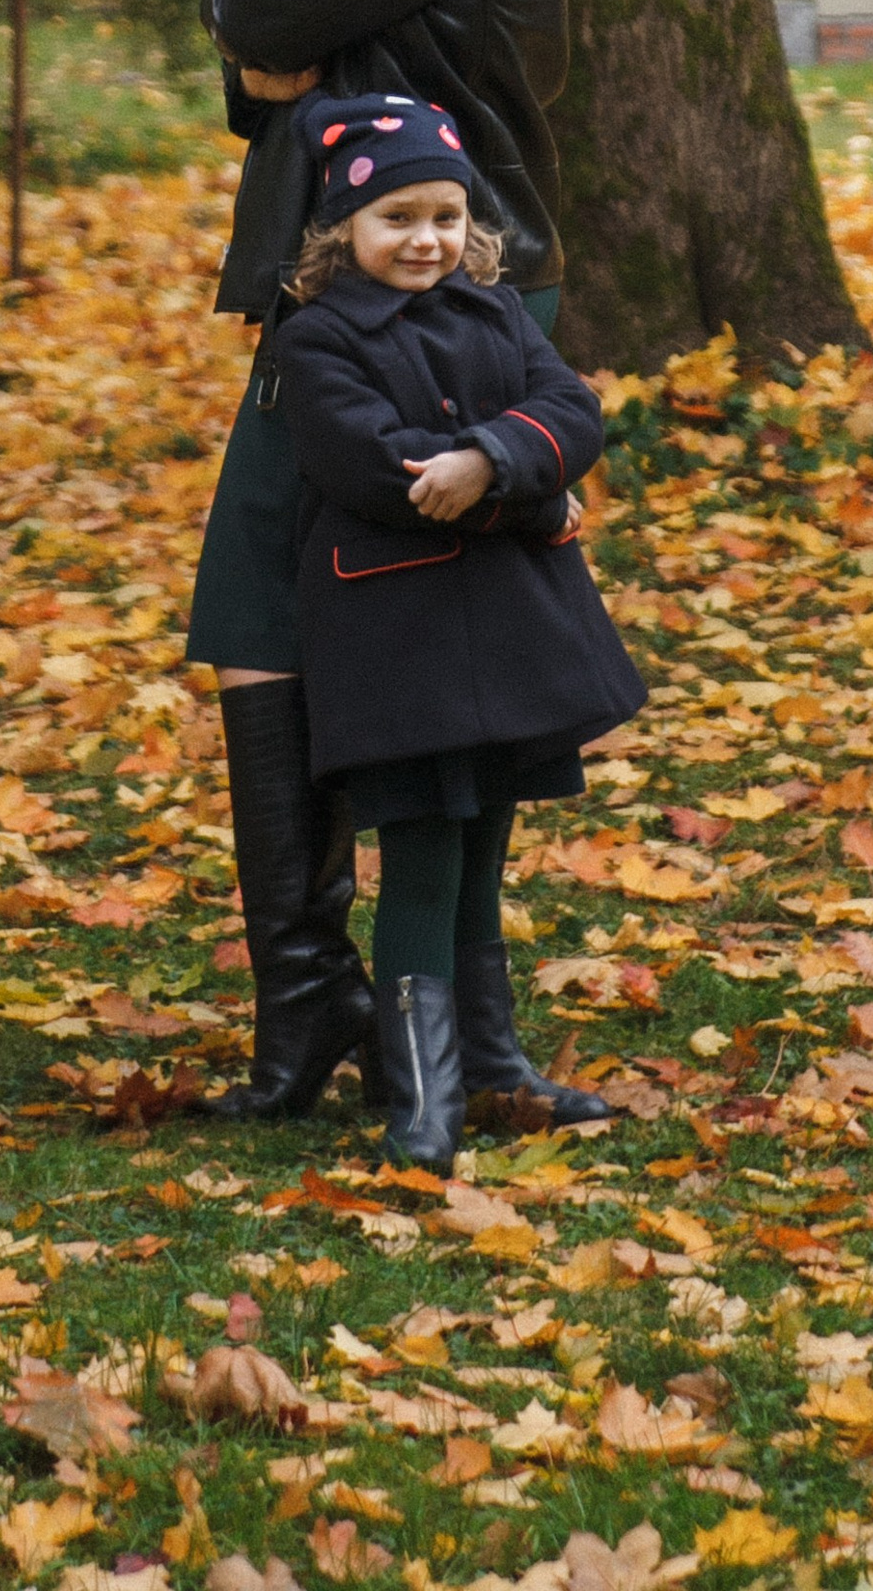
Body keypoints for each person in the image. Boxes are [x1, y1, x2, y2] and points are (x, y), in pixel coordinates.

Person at [186, 0, 586, 1122]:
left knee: (394, 648)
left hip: (430, 300)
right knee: (283, 626)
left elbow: (275, 12)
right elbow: (304, 44)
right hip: (382, 286)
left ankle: (381, 1023)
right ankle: (338, 1013)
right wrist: (275, 40)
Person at [271, 87, 644, 1167]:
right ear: (344, 229)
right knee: (425, 857)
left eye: (442, 216)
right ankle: (418, 1096)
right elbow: (378, 469)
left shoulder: (496, 310)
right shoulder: (319, 339)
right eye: (396, 219)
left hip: (509, 636)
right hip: (402, 650)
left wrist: (497, 456)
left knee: (483, 849)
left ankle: (492, 1067)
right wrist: (523, 488)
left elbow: (571, 412)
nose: (423, 239)